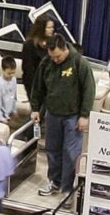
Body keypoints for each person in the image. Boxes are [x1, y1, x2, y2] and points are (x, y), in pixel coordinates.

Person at [39, 39, 91, 198]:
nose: (55, 60)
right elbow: (38, 86)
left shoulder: (80, 64)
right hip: (53, 114)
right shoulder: (47, 63)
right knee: (52, 150)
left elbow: (89, 90)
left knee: (70, 152)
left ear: (65, 49)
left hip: (73, 116)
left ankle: (68, 189)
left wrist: (84, 115)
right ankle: (54, 181)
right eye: (52, 57)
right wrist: (36, 108)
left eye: (58, 57)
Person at [0, 58, 24, 130]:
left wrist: (14, 110)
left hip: (9, 113)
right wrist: (1, 118)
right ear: (3, 70)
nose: (12, 75)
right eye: (9, 73)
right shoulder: (0, 84)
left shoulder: (13, 79)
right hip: (2, 115)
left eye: (13, 73)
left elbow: (14, 97)